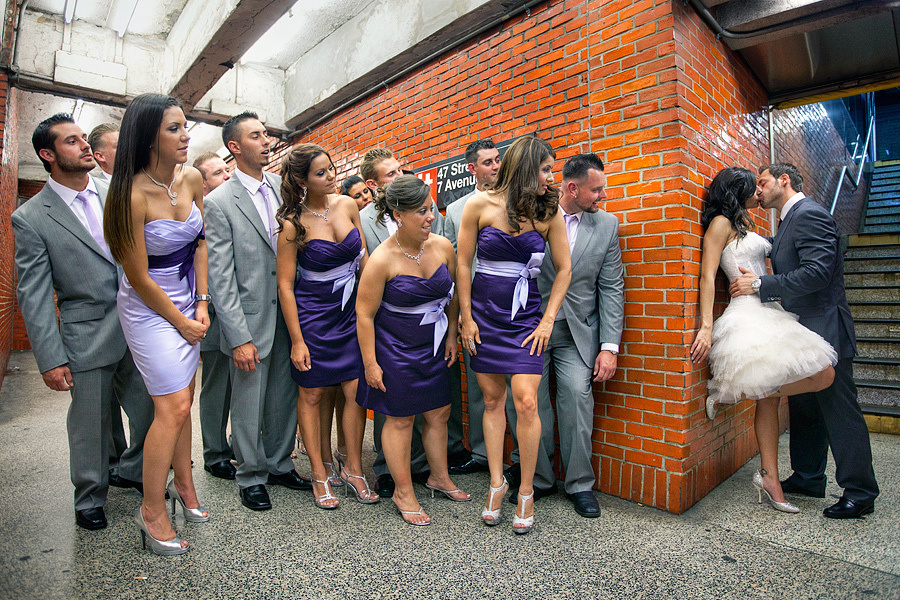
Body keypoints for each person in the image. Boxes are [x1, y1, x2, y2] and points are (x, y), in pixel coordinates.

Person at [13, 113, 152, 532]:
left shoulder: (120, 192)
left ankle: (133, 470)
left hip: (139, 323)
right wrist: (50, 358)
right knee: (91, 423)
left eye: (82, 138)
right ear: (48, 155)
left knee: (152, 409)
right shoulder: (32, 217)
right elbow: (33, 292)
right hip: (86, 330)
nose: (84, 145)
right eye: (71, 142)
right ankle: (90, 495)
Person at [727, 163, 879, 518]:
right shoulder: (786, 222)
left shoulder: (809, 214)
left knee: (839, 410)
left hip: (826, 328)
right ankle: (809, 477)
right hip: (801, 327)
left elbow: (818, 271)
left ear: (784, 180)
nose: (758, 190)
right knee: (805, 409)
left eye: (762, 182)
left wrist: (761, 285)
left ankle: (860, 490)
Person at [691, 166, 839, 514]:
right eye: (753, 188)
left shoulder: (748, 224)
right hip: (746, 314)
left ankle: (732, 393)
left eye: (761, 186)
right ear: (737, 192)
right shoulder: (720, 225)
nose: (759, 193)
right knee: (774, 397)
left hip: (771, 309)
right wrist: (707, 327)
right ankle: (771, 479)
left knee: (819, 374)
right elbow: (707, 278)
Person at [104, 94, 209, 555]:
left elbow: (200, 240)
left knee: (183, 400)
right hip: (150, 308)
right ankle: (150, 510)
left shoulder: (191, 178)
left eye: (185, 126)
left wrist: (202, 304)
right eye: (173, 129)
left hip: (190, 299)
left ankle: (185, 488)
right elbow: (138, 277)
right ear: (148, 136)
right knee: (172, 408)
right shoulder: (130, 194)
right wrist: (182, 322)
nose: (185, 136)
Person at [457, 136, 571, 534]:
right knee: (491, 401)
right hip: (485, 319)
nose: (550, 177)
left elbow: (565, 270)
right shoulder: (478, 205)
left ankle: (525, 491)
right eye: (545, 169)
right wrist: (466, 318)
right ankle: (495, 483)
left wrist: (548, 320)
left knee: (525, 402)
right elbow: (463, 262)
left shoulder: (548, 211)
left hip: (526, 322)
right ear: (525, 168)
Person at [205, 111, 311, 512]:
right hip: (250, 318)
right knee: (248, 401)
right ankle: (250, 475)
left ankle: (280, 463)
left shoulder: (283, 191)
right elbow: (221, 276)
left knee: (284, 394)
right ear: (235, 147)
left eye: (266, 134)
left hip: (291, 313)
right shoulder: (218, 202)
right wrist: (237, 336)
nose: (266, 141)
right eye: (256, 136)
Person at [507, 153, 624, 518]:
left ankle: (579, 485)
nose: (602, 196)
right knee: (531, 404)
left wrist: (609, 347)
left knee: (576, 397)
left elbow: (612, 287)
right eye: (596, 189)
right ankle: (537, 479)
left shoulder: (606, 225)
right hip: (531, 327)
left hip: (578, 331)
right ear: (572, 188)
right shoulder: (534, 214)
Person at [357, 175, 470, 525]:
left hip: (434, 344)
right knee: (400, 418)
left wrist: (452, 333)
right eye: (421, 211)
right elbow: (364, 314)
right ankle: (403, 491)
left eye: (431, 209)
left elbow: (449, 296)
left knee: (439, 411)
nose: (430, 217)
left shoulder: (443, 247)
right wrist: (371, 364)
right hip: (395, 349)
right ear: (398, 214)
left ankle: (439, 476)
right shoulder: (382, 259)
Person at [276, 143, 378, 509]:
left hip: (350, 313)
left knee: (355, 392)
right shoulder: (292, 224)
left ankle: (352, 467)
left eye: (332, 168)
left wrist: (375, 310)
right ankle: (319, 473)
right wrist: (297, 341)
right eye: (321, 172)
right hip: (314, 317)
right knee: (313, 394)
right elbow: (286, 286)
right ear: (302, 180)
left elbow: (364, 263)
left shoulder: (347, 205)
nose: (332, 175)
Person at [357, 147, 442, 498]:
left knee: (434, 408)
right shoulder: (365, 225)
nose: (400, 176)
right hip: (392, 333)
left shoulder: (434, 230)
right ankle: (392, 475)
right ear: (374, 184)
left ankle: (429, 470)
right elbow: (365, 303)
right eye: (391, 174)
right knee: (394, 411)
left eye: (401, 170)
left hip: (431, 334)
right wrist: (370, 361)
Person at [443, 139, 504, 476]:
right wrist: (463, 315)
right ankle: (482, 453)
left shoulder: (516, 200)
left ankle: (522, 459)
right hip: (475, 306)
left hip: (513, 306)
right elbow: (454, 263)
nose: (494, 167)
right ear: (472, 169)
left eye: (497, 160)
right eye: (487, 162)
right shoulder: (455, 210)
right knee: (481, 385)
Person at [87, 123, 130, 485]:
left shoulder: (135, 186)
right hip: (100, 315)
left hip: (136, 308)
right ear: (100, 155)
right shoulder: (93, 190)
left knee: (142, 396)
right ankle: (114, 462)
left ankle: (134, 464)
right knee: (105, 403)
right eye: (119, 146)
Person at [193, 151, 236, 479]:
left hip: (239, 307)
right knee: (216, 386)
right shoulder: (197, 215)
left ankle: (237, 444)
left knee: (240, 386)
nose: (227, 176)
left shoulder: (231, 206)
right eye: (219, 173)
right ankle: (215, 452)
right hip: (212, 312)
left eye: (227, 170)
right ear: (203, 182)